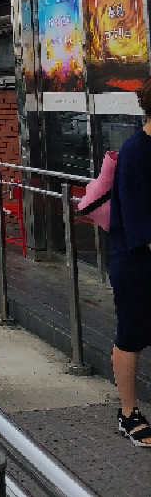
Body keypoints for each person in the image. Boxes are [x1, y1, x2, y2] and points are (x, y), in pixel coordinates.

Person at [110, 76, 151, 445]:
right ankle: (128, 414)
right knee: (131, 337)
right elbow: (142, 227)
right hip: (137, 264)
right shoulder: (137, 152)